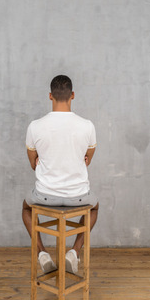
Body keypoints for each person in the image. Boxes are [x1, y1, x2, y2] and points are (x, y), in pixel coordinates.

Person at [22, 75, 99, 275]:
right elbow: (88, 158)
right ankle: (74, 252)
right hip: (78, 195)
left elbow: (33, 163)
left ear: (50, 96)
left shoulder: (35, 126)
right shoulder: (87, 125)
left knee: (26, 209)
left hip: (45, 195)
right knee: (94, 207)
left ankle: (42, 254)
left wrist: (42, 161)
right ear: (72, 95)